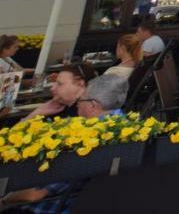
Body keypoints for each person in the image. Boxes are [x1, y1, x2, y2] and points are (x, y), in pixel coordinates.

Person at [2, 76, 129, 211]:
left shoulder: (81, 143)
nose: (78, 104)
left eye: (81, 100)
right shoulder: (125, 125)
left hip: (51, 207)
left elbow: (34, 194)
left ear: (93, 106)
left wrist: (4, 200)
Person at [20, 65, 92, 121]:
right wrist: (37, 113)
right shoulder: (58, 109)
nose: (52, 88)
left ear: (80, 84)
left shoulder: (86, 114)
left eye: (60, 84)